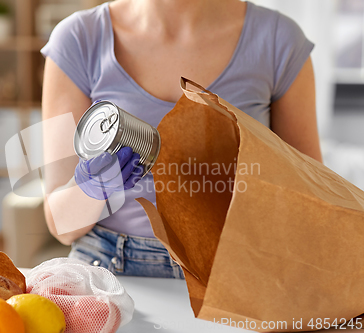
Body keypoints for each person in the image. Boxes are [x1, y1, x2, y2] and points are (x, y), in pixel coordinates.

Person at [40, 0, 323, 278]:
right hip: (108, 270)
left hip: (238, 272)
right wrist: (91, 188)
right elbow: (61, 226)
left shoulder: (278, 40)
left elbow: (312, 204)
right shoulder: (78, 39)